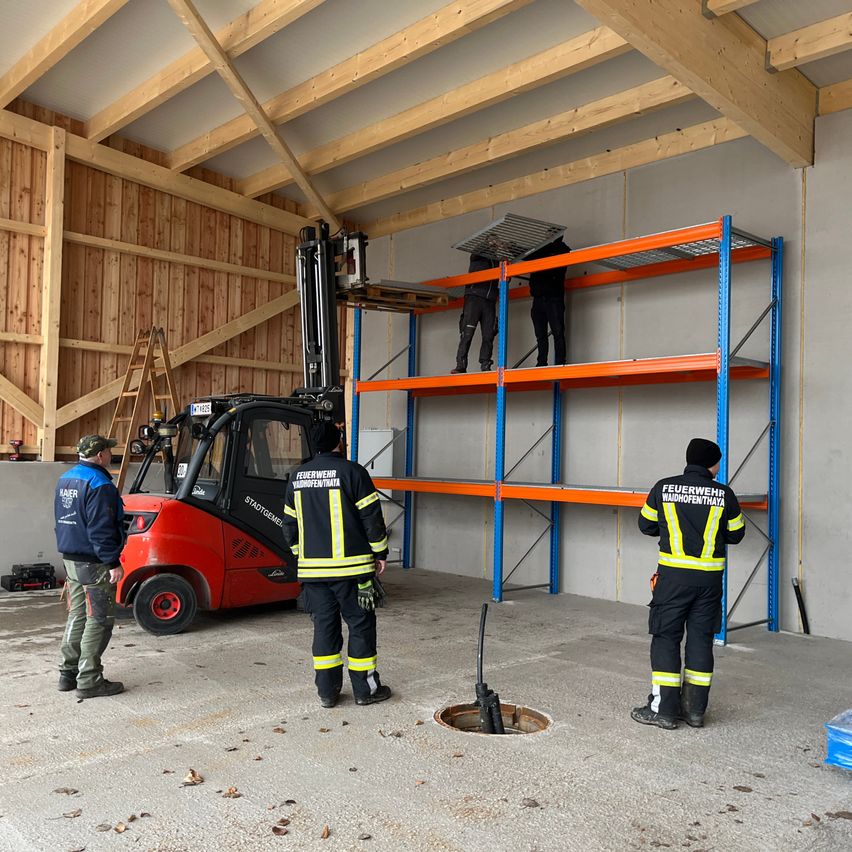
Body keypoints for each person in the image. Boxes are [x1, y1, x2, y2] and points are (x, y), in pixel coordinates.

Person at [632, 438, 745, 730]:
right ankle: (694, 711)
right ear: (714, 464)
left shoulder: (664, 487)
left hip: (672, 580)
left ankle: (663, 711)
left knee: (666, 638)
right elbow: (736, 534)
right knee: (700, 640)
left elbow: (646, 525)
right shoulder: (724, 494)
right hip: (709, 581)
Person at [282, 420, 391, 708]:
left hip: (313, 574)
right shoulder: (353, 472)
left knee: (324, 628)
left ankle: (327, 693)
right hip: (354, 573)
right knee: (360, 626)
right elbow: (372, 518)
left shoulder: (297, 477)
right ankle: (365, 691)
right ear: (338, 441)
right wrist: (380, 553)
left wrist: (300, 555)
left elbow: (289, 525)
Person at [54, 435, 126, 699]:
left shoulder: (67, 478)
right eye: (108, 449)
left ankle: (68, 673)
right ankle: (90, 680)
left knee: (78, 615)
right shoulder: (100, 484)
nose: (110, 453)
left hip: (71, 558)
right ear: (100, 455)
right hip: (93, 561)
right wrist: (112, 562)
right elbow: (100, 528)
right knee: (99, 620)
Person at [526, 236, 570, 366]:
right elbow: (526, 256)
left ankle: (559, 362)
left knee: (557, 332)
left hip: (553, 298)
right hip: (539, 298)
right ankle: (542, 362)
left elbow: (530, 256)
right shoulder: (541, 249)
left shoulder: (561, 249)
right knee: (541, 334)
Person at [452, 253, 499, 373]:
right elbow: (475, 252)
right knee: (467, 333)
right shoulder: (478, 255)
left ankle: (485, 364)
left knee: (489, 334)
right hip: (474, 298)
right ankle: (461, 365)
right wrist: (488, 243)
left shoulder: (497, 261)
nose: (495, 245)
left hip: (489, 301)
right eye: (492, 241)